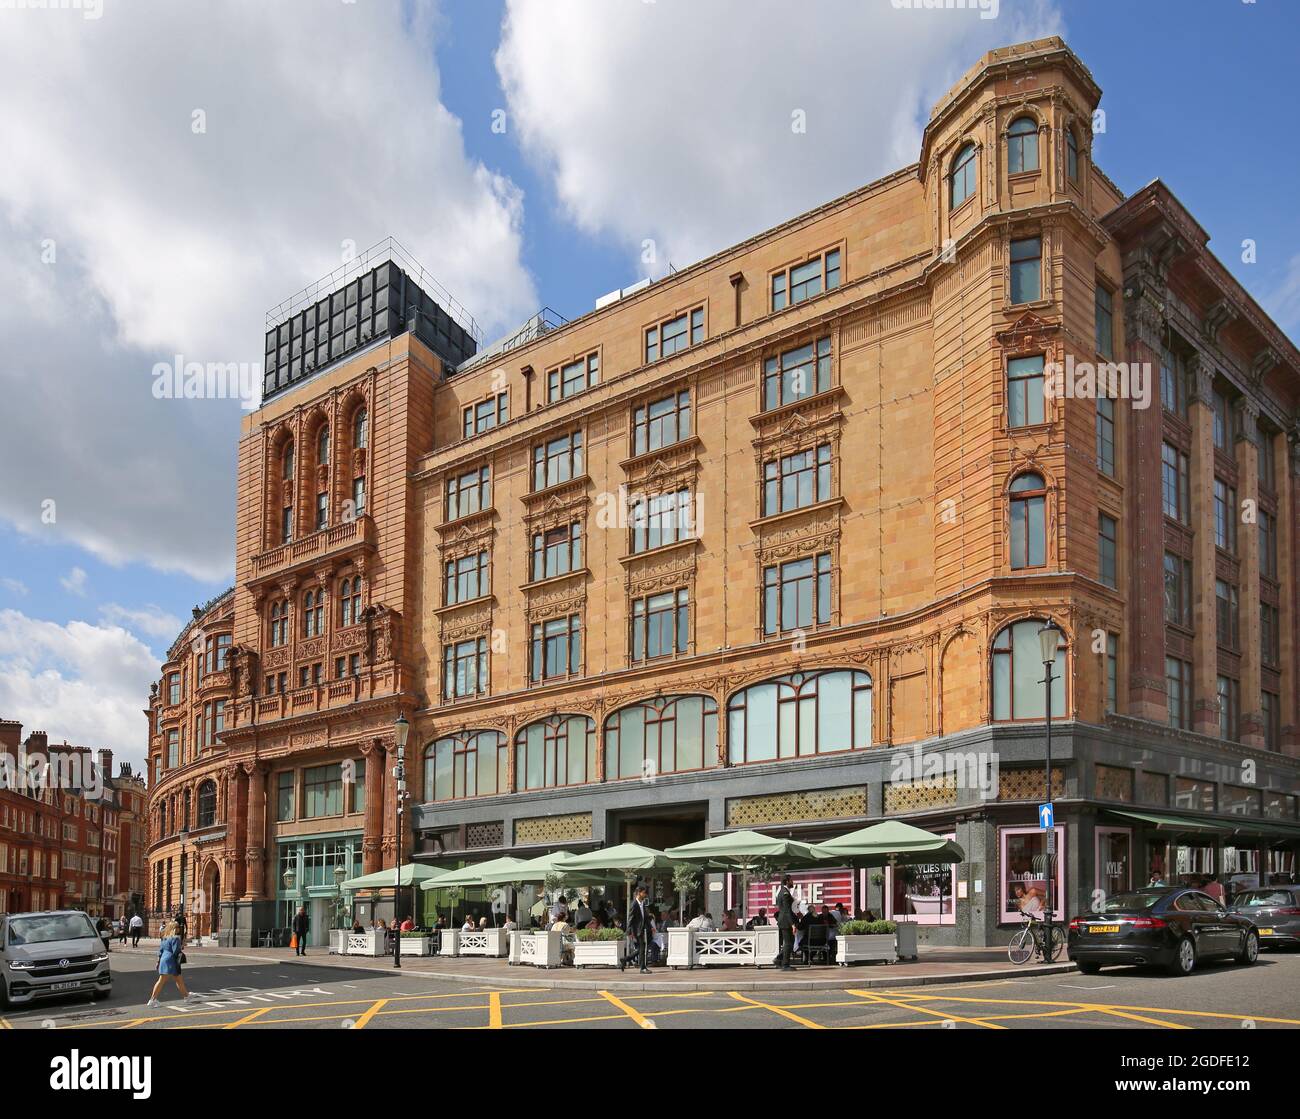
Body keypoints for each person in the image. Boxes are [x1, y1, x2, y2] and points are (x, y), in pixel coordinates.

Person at [146, 921, 200, 1007]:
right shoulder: (175, 938)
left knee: (178, 980)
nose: (178, 929)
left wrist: (158, 962)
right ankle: (152, 999)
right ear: (173, 929)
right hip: (171, 960)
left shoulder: (164, 938)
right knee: (162, 980)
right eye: (177, 927)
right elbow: (176, 952)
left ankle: (186, 996)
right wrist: (181, 947)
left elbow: (160, 951)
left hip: (164, 959)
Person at [627, 884, 651, 973]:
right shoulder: (634, 904)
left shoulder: (642, 904)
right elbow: (630, 918)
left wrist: (651, 927)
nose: (645, 895)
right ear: (639, 893)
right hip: (637, 930)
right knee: (642, 949)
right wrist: (629, 931)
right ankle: (642, 968)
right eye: (644, 893)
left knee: (642, 948)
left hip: (643, 930)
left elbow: (645, 917)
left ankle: (626, 959)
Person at [774, 874, 796, 970]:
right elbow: (787, 910)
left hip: (784, 920)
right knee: (788, 943)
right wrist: (793, 924)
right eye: (791, 880)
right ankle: (785, 965)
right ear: (787, 881)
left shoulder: (783, 891)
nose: (793, 882)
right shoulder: (785, 893)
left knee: (790, 942)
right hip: (785, 921)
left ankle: (779, 959)